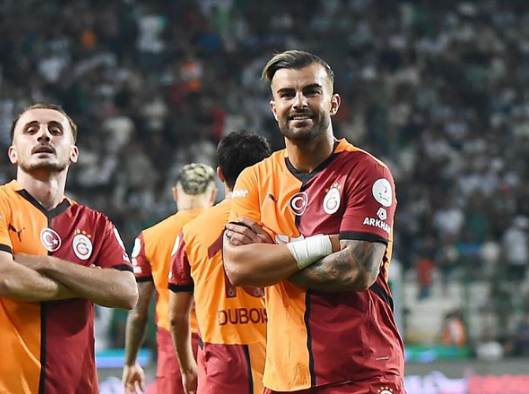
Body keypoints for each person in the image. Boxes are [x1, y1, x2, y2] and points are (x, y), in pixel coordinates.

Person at [223, 50, 405, 394]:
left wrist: (272, 256)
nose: (299, 102)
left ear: (333, 103)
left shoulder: (366, 173)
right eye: (287, 94)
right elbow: (238, 269)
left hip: (361, 375)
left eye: (311, 91)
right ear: (274, 107)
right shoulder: (255, 179)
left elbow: (357, 271)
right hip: (282, 379)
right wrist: (326, 244)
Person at [0, 103, 138, 394]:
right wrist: (88, 283)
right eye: (31, 130)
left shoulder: (96, 223)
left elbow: (127, 292)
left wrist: (47, 264)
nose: (43, 135)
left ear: (73, 152)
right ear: (13, 153)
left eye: (55, 130)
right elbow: (0, 279)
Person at [168, 131, 272, 394]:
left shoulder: (191, 232)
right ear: (266, 172)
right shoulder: (282, 223)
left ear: (221, 175)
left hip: (220, 363)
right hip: (277, 358)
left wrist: (187, 368)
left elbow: (176, 317)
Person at [123, 163, 216, 394]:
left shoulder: (149, 237)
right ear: (213, 195)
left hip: (173, 347)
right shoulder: (225, 231)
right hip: (221, 339)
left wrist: (130, 362)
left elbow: (139, 312)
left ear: (175, 193)